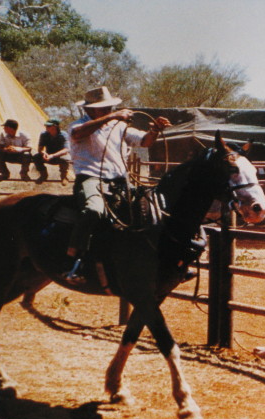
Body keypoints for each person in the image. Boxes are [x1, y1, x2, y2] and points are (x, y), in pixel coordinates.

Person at [65, 86, 171, 284]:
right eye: (102, 108)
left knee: (153, 207)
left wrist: (155, 129)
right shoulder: (77, 126)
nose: (107, 111)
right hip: (91, 178)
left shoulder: (120, 127)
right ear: (89, 110)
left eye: (109, 107)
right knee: (94, 210)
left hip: (120, 180)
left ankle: (159, 259)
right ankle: (74, 260)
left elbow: (145, 141)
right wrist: (112, 117)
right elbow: (78, 134)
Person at [32, 118, 74, 185]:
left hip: (59, 156)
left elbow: (66, 149)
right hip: (48, 155)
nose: (46, 127)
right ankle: (43, 175)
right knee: (36, 157)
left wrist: (53, 155)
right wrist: (43, 153)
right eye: (46, 126)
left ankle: (64, 176)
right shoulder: (43, 134)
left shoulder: (63, 135)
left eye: (48, 126)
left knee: (66, 158)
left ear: (55, 126)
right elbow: (40, 148)